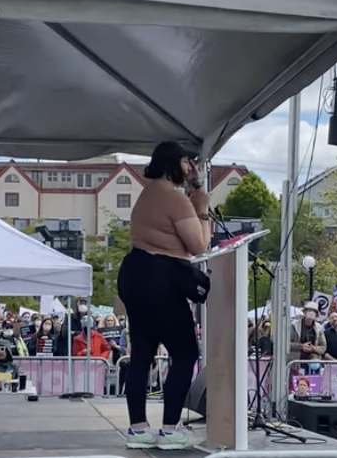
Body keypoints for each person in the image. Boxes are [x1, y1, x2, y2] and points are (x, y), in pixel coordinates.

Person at [117, 141, 210, 450]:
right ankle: (170, 429)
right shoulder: (175, 199)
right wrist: (204, 210)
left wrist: (194, 186)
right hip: (161, 278)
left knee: (143, 354)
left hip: (134, 274)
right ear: (174, 162)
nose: (192, 168)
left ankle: (138, 428)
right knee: (185, 353)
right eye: (188, 162)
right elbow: (198, 246)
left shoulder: (148, 194)